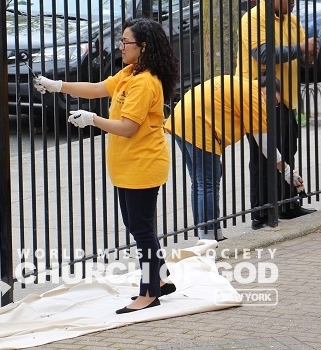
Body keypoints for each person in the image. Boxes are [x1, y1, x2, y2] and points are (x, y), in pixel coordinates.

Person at [33, 18, 180, 314]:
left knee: (140, 228)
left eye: (126, 42)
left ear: (143, 47)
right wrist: (57, 85)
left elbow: (127, 127)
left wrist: (92, 120)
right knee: (140, 226)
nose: (120, 46)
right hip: (128, 165)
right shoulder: (129, 73)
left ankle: (149, 291)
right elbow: (98, 88)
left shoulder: (145, 82)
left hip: (143, 164)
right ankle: (160, 278)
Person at [166, 75, 305, 241]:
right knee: (207, 183)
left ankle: (206, 233)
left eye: (275, 103)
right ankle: (211, 237)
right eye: (272, 98)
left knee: (200, 182)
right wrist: (287, 171)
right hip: (197, 126)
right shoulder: (254, 98)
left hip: (181, 120)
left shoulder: (244, 86)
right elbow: (265, 144)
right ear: (266, 88)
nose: (271, 104)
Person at [235, 0, 319, 229]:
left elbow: (302, 56)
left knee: (287, 149)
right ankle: (262, 212)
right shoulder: (253, 19)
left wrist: (310, 55)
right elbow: (263, 54)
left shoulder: (293, 21)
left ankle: (288, 204)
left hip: (287, 98)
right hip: (258, 99)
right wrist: (302, 48)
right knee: (264, 156)